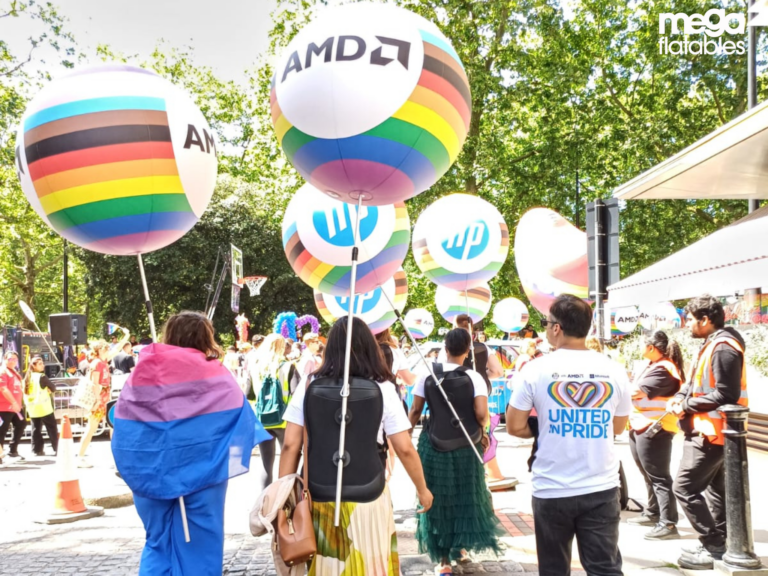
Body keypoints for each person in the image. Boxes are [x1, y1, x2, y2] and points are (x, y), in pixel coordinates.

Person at [112, 311, 269, 576]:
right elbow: (239, 415)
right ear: (205, 336)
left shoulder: (144, 369)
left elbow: (122, 416)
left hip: (150, 473)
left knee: (157, 543)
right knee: (201, 547)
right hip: (204, 475)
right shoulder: (215, 372)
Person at [279, 316, 433, 576]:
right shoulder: (383, 388)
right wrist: (422, 489)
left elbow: (290, 446)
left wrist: (283, 498)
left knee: (327, 566)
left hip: (318, 494)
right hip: (369, 493)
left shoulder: (308, 385)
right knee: (371, 564)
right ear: (369, 348)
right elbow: (405, 447)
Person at [506, 294, 631, 576]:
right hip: (601, 486)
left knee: (553, 570)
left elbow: (514, 427)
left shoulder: (535, 370)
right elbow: (618, 427)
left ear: (557, 328)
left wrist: (547, 429)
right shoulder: (614, 370)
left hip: (552, 487)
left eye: (546, 322)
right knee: (605, 569)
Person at [410, 328, 503, 573]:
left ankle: (443, 561)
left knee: (437, 497)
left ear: (446, 347)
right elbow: (482, 414)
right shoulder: (474, 377)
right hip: (467, 444)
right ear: (467, 350)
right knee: (465, 494)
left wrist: (405, 436)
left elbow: (415, 411)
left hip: (433, 444)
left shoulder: (426, 375)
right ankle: (461, 549)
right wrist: (483, 433)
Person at [668, 295, 748, 570]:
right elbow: (693, 383)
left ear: (705, 320)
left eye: (690, 319)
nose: (687, 324)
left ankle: (714, 543)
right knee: (714, 491)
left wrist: (685, 405)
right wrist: (679, 397)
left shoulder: (724, 347)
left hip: (711, 432)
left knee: (684, 488)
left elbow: (726, 393)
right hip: (708, 431)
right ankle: (722, 543)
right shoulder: (712, 344)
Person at [627, 330, 684, 540]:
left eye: (643, 343)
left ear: (651, 347)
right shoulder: (653, 366)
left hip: (656, 428)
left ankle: (668, 524)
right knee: (648, 474)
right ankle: (653, 512)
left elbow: (635, 392)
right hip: (642, 425)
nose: (640, 347)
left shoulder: (664, 369)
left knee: (659, 477)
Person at [79, 328, 130, 466]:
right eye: (106, 348)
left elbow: (118, 348)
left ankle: (115, 457)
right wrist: (96, 401)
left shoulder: (102, 360)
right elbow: (95, 384)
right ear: (100, 350)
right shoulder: (97, 363)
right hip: (100, 399)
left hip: (104, 398)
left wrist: (126, 335)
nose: (108, 349)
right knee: (92, 428)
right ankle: (80, 456)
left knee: (111, 426)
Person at [249, 333, 291, 494]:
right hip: (284, 420)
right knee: (288, 460)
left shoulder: (256, 367)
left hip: (262, 420)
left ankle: (264, 500)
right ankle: (284, 497)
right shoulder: (287, 367)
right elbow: (297, 392)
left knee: (266, 463)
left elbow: (248, 394)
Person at [24, 355, 59, 456]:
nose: (43, 365)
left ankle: (36, 449)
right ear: (34, 366)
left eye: (42, 363)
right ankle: (57, 448)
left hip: (33, 408)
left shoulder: (27, 378)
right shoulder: (41, 377)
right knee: (52, 428)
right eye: (40, 364)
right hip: (44, 408)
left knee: (36, 429)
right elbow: (53, 387)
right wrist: (49, 389)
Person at [0, 351, 26, 462]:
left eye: (15, 359)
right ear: (5, 359)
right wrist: (14, 402)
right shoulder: (3, 372)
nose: (13, 361)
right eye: (10, 359)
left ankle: (13, 449)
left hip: (15, 407)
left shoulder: (14, 372)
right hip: (4, 407)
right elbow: (3, 388)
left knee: (21, 424)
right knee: (2, 431)